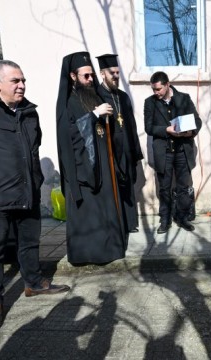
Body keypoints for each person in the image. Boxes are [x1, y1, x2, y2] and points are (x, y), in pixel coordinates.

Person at [0, 60, 70, 332]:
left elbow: (33, 146)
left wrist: (35, 179)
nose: (22, 85)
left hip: (27, 189)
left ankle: (33, 283)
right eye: (16, 81)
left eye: (23, 80)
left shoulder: (28, 111)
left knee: (28, 241)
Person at [56, 51, 128, 264]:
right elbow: (68, 134)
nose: (90, 79)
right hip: (83, 166)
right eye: (85, 76)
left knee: (105, 207)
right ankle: (87, 254)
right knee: (88, 212)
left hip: (103, 162)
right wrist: (94, 115)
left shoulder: (94, 95)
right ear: (72, 76)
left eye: (91, 76)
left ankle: (109, 250)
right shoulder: (68, 102)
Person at [144, 71, 202, 234]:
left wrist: (190, 132)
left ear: (167, 84)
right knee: (164, 188)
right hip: (164, 152)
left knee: (184, 187)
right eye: (153, 90)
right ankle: (165, 219)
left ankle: (182, 217)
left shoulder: (184, 98)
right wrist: (166, 130)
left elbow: (197, 121)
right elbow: (148, 128)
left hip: (182, 151)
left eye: (158, 89)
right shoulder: (150, 103)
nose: (156, 93)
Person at [96, 54, 143, 233]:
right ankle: (117, 224)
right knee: (112, 186)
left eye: (117, 72)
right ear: (102, 73)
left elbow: (131, 124)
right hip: (110, 151)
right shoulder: (97, 95)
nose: (116, 76)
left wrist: (136, 152)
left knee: (128, 186)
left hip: (127, 151)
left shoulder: (122, 97)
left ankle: (130, 223)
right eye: (112, 73)